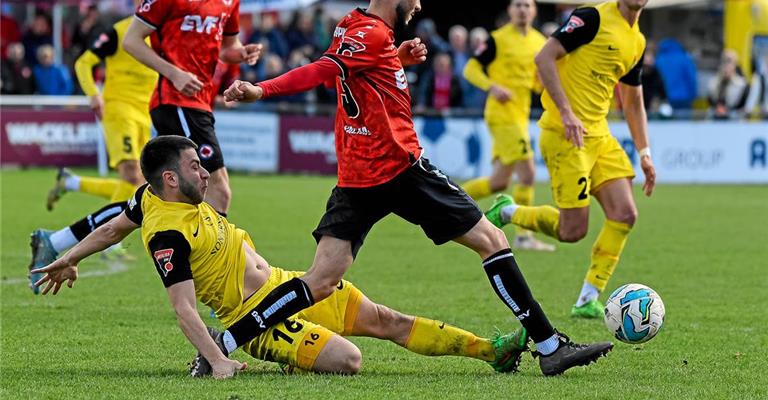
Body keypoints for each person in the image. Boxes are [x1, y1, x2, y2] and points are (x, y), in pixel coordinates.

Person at [221, 0, 612, 377]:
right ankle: (550, 345)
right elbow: (324, 70)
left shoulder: (353, 26)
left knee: (320, 280)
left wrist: (397, 59)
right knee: (493, 242)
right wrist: (263, 90)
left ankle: (224, 343)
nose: (420, 3)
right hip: (402, 170)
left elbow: (353, 69)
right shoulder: (370, 35)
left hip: (357, 179)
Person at [33, 136, 529, 378]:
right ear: (169, 177)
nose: (205, 174)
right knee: (350, 360)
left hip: (286, 284)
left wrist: (70, 255)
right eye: (194, 167)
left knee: (387, 320)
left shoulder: (148, 197)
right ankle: (285, 354)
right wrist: (218, 360)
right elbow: (184, 308)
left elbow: (114, 226)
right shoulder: (167, 234)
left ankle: (492, 350)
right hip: (257, 319)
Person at [485, 0, 659, 319]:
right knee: (572, 230)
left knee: (625, 213)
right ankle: (511, 210)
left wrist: (644, 153)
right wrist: (565, 112)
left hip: (599, 135)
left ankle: (588, 299)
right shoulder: (592, 17)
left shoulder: (637, 41)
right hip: (565, 134)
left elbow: (632, 101)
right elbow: (544, 57)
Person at [123, 0, 261, 216]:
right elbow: (131, 41)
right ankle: (214, 263)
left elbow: (228, 47)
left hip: (201, 101)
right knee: (217, 189)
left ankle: (68, 238)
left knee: (167, 198)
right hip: (175, 100)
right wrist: (174, 74)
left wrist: (242, 53)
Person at [45, 0, 158, 212]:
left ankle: (71, 182)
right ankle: (111, 245)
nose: (150, 2)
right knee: (130, 174)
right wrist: (94, 94)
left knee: (140, 183)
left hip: (145, 113)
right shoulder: (120, 31)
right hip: (119, 108)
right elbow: (83, 63)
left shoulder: (164, 36)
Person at [461, 0, 554, 252]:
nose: (523, 10)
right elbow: (470, 68)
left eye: (528, 5)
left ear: (534, 10)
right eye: (518, 5)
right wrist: (492, 86)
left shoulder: (539, 42)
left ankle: (443, 204)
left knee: (499, 182)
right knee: (527, 173)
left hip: (520, 115)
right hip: (501, 115)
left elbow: (536, 84)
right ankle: (524, 236)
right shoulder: (497, 39)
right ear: (510, 10)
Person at [707, 49, 748, 118]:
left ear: (735, 64)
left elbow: (742, 106)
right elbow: (711, 101)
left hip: (735, 122)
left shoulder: (742, 84)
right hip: (715, 120)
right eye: (724, 61)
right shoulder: (713, 82)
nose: (726, 65)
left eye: (729, 62)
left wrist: (726, 110)